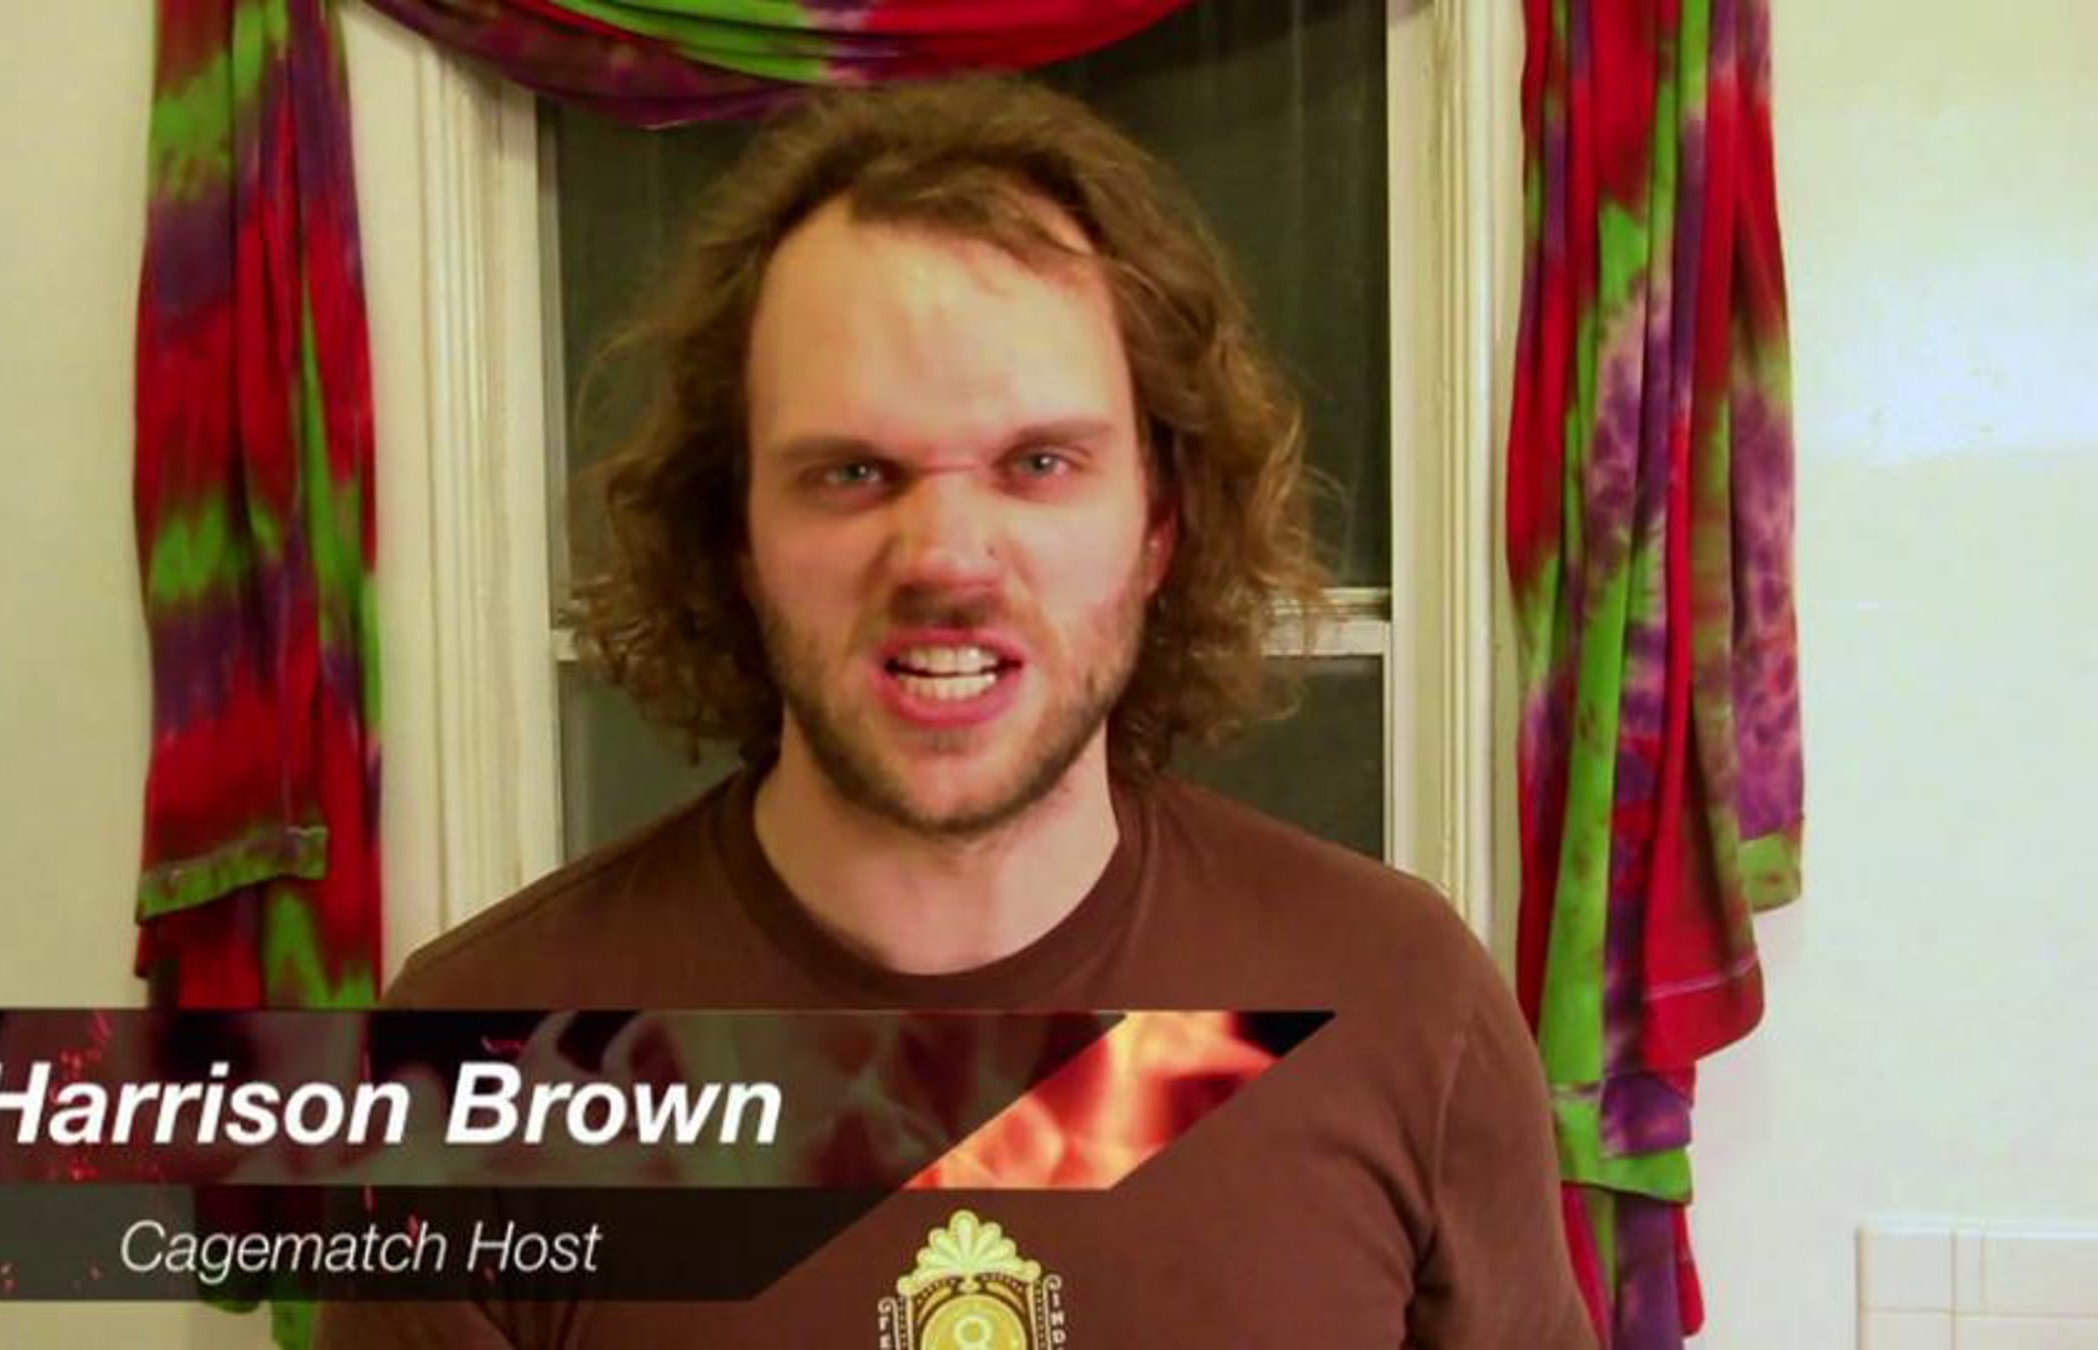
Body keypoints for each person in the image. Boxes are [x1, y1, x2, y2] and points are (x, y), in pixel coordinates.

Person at [318, 77, 1593, 1349]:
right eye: (851, 472)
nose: (945, 559)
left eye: (1038, 464)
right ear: (735, 537)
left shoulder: (1403, 1005)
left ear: (1161, 523)